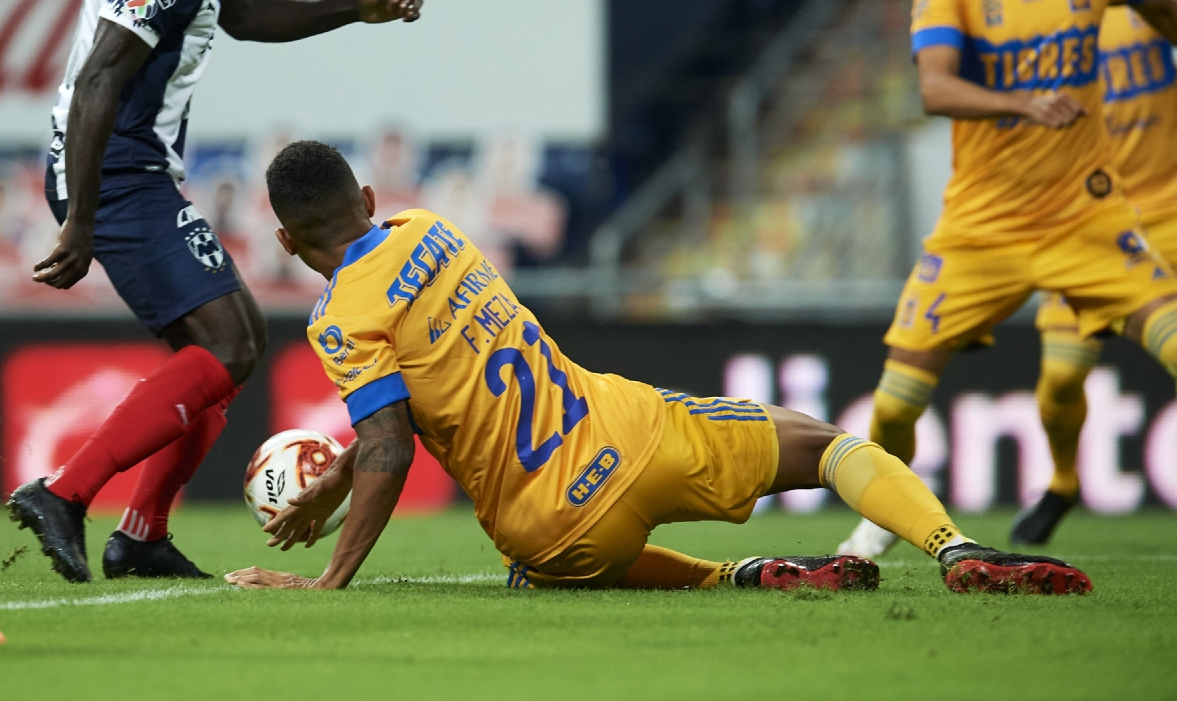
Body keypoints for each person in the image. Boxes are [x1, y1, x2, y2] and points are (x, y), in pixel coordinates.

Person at [222, 141, 1089, 595]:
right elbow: (420, 394)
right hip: (632, 435)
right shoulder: (430, 230)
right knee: (825, 446)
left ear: (291, 244)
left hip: (552, 534)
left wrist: (329, 576)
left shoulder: (340, 322)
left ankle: (741, 579)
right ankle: (956, 548)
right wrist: (341, 479)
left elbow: (392, 438)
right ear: (369, 201)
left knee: (552, 567)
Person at [10, 0, 423, 583]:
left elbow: (243, 14)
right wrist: (81, 221)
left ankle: (139, 535)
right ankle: (65, 493)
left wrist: (354, 9)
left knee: (221, 354)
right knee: (231, 344)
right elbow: (100, 77)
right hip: (116, 168)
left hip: (125, 165)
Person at [836, 0, 1177, 560]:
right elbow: (934, 87)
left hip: (1087, 220)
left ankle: (1052, 488)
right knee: (894, 404)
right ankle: (880, 519)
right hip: (980, 231)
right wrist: (1026, 105)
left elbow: (1162, 8)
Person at [1011, 0, 1177, 544]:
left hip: (1169, 213)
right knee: (1057, 386)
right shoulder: (1033, 8)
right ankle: (1062, 482)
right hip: (1088, 229)